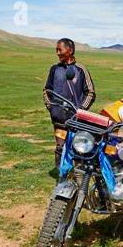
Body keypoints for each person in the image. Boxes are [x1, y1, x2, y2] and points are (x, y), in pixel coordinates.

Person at [43, 38, 96, 169]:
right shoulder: (54, 69)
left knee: (78, 148)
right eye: (56, 50)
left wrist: (81, 111)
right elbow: (46, 90)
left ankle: (79, 178)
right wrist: (52, 107)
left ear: (70, 50)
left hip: (76, 120)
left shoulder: (81, 70)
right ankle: (62, 177)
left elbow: (90, 92)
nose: (57, 53)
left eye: (59, 50)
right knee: (60, 147)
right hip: (59, 119)